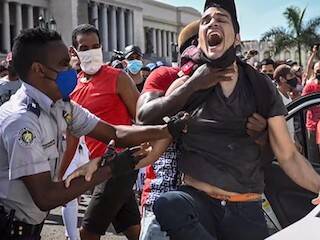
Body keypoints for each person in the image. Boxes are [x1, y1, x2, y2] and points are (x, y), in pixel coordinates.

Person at [144, 1, 320, 239]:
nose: (212, 23)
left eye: (221, 19)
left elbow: (288, 155)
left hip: (245, 209)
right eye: (205, 21)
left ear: (237, 37)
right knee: (168, 204)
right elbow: (149, 135)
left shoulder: (261, 87)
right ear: (201, 39)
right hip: (196, 203)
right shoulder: (185, 86)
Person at [0, 27, 187, 240]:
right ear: (38, 70)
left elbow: (114, 132)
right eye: (63, 64)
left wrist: (165, 129)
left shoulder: (61, 104)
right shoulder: (22, 122)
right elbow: (46, 197)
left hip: (26, 227)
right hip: (10, 228)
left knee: (126, 225)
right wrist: (110, 169)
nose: (71, 70)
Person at [62, 24, 141, 240]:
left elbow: (142, 118)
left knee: (88, 232)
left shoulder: (118, 78)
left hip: (118, 164)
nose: (91, 51)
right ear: (73, 51)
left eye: (95, 46)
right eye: (84, 47)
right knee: (131, 225)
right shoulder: (73, 85)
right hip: (92, 167)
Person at [62, 137, 90, 240]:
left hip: (81, 146)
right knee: (70, 197)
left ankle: (70, 233)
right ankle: (72, 236)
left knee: (78, 192)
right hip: (66, 144)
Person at [302, 66, 320, 163]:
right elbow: (302, 105)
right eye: (318, 71)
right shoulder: (309, 87)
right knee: (314, 159)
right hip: (312, 127)